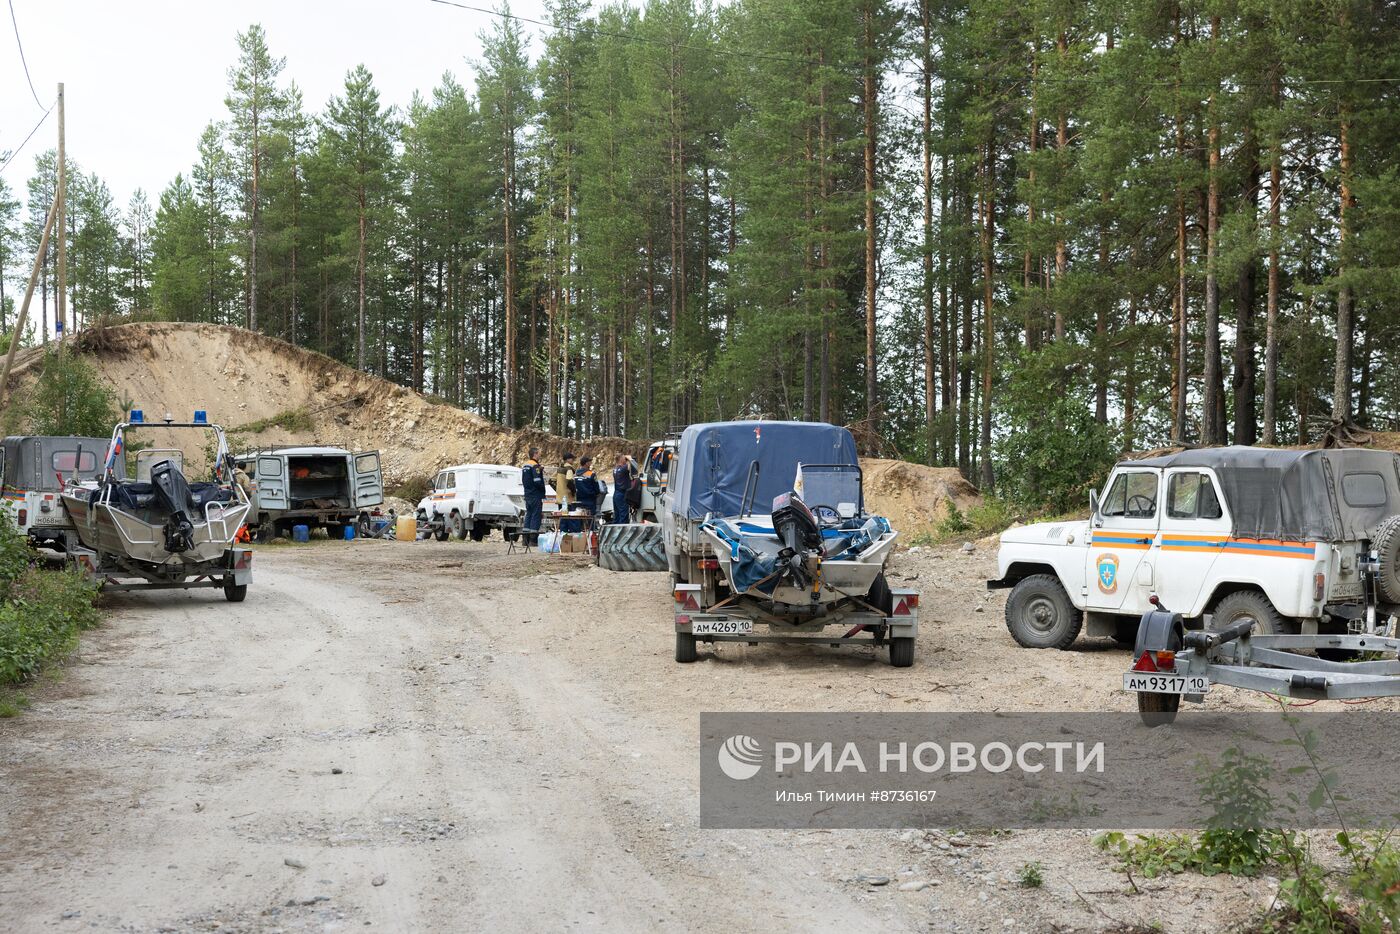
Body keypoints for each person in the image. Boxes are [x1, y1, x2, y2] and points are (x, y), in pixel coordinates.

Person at [521, 446, 546, 546]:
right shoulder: (535, 466)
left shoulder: (525, 465)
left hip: (527, 494)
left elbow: (525, 480)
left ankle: (525, 539)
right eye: (539, 453)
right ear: (535, 454)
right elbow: (537, 481)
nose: (540, 454)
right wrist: (542, 490)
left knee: (529, 515)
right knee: (536, 516)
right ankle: (533, 540)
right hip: (535, 494)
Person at [574, 456, 602, 521]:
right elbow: (596, 486)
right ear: (587, 463)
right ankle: (590, 530)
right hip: (590, 498)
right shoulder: (590, 473)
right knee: (590, 517)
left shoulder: (576, 473)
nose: (591, 463)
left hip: (579, 498)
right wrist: (596, 493)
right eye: (590, 462)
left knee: (580, 517)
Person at [612, 454, 634, 524]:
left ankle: (616, 533)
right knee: (624, 515)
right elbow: (633, 466)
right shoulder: (623, 468)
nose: (625, 459)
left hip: (616, 494)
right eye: (624, 458)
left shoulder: (615, 469)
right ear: (621, 459)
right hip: (622, 494)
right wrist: (630, 458)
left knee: (617, 515)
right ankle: (623, 532)